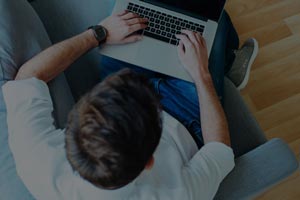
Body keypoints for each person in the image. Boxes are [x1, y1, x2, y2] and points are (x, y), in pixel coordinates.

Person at [2, 9, 257, 200]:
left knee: (150, 9)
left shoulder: (40, 162)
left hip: (119, 87)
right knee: (211, 21)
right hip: (185, 114)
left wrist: (98, 33)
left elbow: (28, 77)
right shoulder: (175, 194)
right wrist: (202, 74)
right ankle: (229, 61)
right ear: (149, 162)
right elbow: (220, 149)